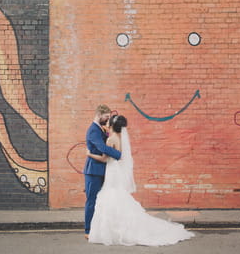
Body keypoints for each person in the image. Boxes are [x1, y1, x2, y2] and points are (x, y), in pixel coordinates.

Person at [86, 115, 195, 246]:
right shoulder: (119, 138)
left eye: (109, 120)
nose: (107, 121)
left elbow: (104, 159)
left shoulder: (110, 139)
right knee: (116, 196)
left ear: (112, 125)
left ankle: (112, 229)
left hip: (112, 171)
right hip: (116, 171)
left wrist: (89, 154)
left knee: (110, 196)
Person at [83, 104, 122, 239]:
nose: (107, 119)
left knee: (101, 201)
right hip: (93, 171)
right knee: (91, 201)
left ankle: (99, 228)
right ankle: (88, 231)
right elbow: (101, 147)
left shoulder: (100, 128)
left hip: (101, 170)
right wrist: (118, 155)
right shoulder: (93, 130)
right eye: (106, 117)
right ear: (99, 114)